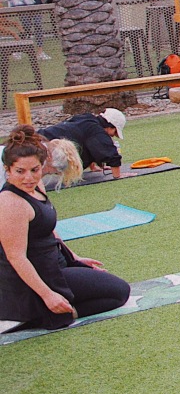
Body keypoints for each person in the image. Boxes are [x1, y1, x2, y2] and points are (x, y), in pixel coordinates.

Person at [0, 128, 132, 332]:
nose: (28, 177)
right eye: (20, 171)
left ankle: (56, 309)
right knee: (118, 292)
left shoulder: (36, 187)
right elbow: (15, 257)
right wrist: (47, 295)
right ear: (7, 170)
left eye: (34, 170)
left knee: (116, 290)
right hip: (37, 276)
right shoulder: (11, 203)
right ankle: (43, 313)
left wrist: (74, 257)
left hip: (55, 263)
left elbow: (50, 230)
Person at [41, 109, 126, 177]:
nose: (113, 136)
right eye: (115, 132)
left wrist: (92, 166)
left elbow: (84, 142)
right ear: (110, 126)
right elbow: (110, 154)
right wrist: (118, 175)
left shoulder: (86, 119)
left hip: (39, 137)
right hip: (46, 147)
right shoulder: (96, 130)